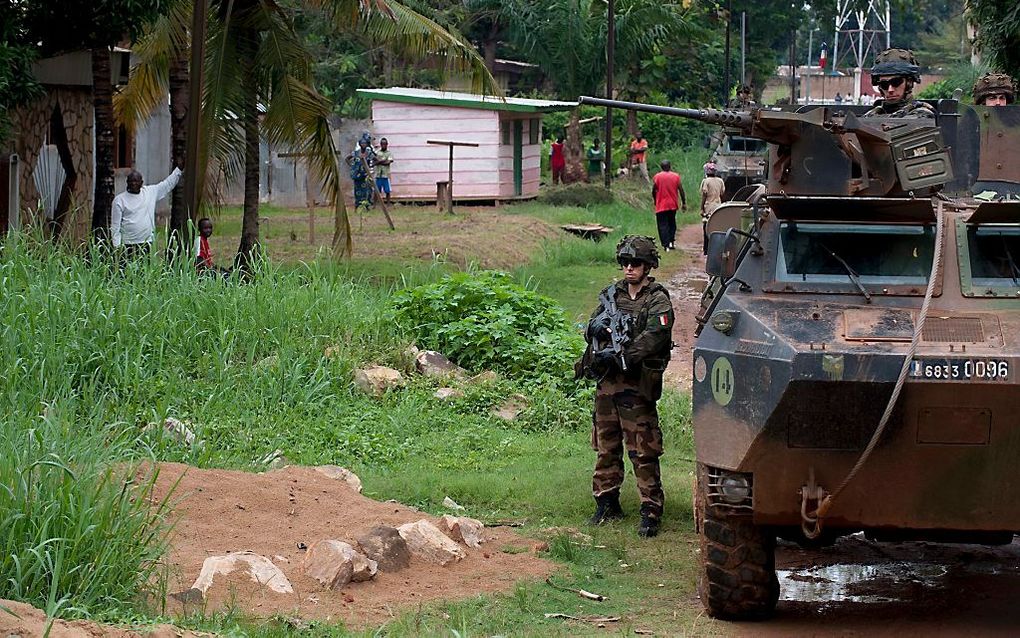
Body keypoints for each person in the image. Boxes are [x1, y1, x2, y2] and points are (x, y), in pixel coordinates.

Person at [580, 235, 673, 538]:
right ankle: (606, 502)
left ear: (648, 266)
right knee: (605, 445)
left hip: (636, 384)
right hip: (608, 384)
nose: (629, 267)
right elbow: (593, 327)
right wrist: (593, 331)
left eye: (635, 263)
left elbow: (656, 334)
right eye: (625, 262)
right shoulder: (611, 294)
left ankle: (650, 510)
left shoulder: (657, 297)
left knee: (643, 450)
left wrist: (624, 355)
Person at [111, 162, 183, 258]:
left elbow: (167, 184)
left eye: (136, 181)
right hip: (127, 244)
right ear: (127, 182)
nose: (133, 183)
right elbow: (115, 226)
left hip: (146, 242)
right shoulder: (119, 200)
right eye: (131, 181)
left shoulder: (150, 192)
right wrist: (117, 246)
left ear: (141, 183)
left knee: (144, 271)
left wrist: (179, 169)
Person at [863, 48, 934, 119]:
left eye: (896, 82)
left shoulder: (922, 114)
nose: (890, 90)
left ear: (909, 83)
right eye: (884, 84)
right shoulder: (871, 115)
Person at [651, 160, 686, 251]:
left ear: (661, 167)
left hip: (661, 205)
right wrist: (684, 202)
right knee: (672, 223)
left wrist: (655, 200)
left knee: (662, 225)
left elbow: (654, 190)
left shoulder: (657, 177)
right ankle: (671, 242)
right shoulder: (676, 176)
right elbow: (681, 190)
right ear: (670, 166)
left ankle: (665, 245)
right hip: (672, 204)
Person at [700, 163, 727, 254]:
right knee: (717, 226)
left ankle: (706, 248)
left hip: (709, 206)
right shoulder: (720, 181)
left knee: (706, 227)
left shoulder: (706, 181)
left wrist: (701, 208)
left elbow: (704, 195)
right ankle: (717, 248)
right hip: (718, 206)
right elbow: (722, 193)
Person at [348, 132, 376, 208]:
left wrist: (371, 166)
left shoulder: (369, 152)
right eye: (362, 143)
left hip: (366, 174)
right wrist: (352, 166)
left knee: (367, 190)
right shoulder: (356, 152)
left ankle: (366, 206)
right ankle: (357, 206)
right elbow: (347, 158)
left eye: (365, 143)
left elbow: (376, 159)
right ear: (360, 144)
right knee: (357, 191)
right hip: (357, 175)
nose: (363, 145)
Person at [374, 137, 394, 204]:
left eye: (385, 144)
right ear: (380, 144)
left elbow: (388, 162)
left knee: (387, 191)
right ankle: (374, 204)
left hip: (386, 175)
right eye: (382, 144)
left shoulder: (389, 153)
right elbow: (374, 162)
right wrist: (383, 161)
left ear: (387, 144)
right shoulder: (377, 152)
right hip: (378, 174)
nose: (383, 145)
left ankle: (388, 204)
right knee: (376, 191)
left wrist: (380, 161)